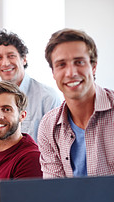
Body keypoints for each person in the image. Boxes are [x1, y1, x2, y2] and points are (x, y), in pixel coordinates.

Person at [0, 29, 62, 159]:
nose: (5, 63)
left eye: (11, 56)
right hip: (0, 172)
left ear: (24, 59)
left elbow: (56, 146)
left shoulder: (48, 97)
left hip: (37, 172)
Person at [38, 28, 114, 178]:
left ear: (93, 66)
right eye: (61, 64)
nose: (71, 73)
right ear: (53, 72)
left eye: (79, 62)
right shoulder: (48, 126)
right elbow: (56, 190)